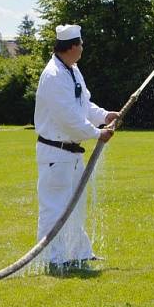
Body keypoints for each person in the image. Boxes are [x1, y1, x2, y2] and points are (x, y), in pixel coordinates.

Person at [34, 24, 119, 272]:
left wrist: (104, 116)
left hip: (71, 154)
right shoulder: (53, 76)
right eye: (81, 44)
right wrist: (96, 133)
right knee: (54, 207)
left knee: (75, 206)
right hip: (55, 152)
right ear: (71, 46)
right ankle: (52, 259)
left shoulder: (72, 69)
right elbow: (68, 118)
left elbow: (83, 105)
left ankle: (78, 253)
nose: (83, 48)